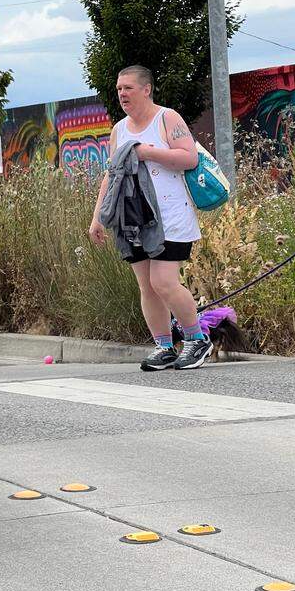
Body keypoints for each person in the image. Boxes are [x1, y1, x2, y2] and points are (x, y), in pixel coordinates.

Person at [88, 66, 211, 371]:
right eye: (119, 89)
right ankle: (164, 345)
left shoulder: (167, 118)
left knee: (164, 281)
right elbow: (112, 174)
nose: (122, 94)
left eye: (128, 88)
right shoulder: (120, 130)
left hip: (170, 216)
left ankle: (197, 338)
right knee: (147, 285)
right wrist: (97, 218)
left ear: (146, 89)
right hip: (135, 216)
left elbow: (189, 157)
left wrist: (147, 152)